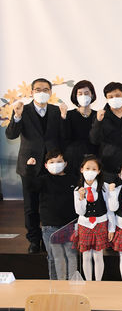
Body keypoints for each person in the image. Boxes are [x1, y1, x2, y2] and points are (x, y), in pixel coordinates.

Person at [5, 78, 64, 253]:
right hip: (29, 165)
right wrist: (16, 116)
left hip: (52, 166)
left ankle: (49, 238)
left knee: (51, 205)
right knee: (31, 206)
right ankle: (34, 240)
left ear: (51, 92)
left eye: (46, 89)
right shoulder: (23, 110)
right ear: (31, 92)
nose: (42, 92)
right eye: (38, 89)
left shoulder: (56, 111)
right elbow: (11, 135)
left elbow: (63, 135)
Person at [25, 150, 77, 280]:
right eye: (52, 162)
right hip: (50, 227)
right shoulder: (43, 180)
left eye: (59, 161)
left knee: (71, 256)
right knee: (54, 257)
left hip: (70, 226)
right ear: (46, 165)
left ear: (65, 163)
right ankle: (55, 284)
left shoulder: (73, 179)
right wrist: (30, 168)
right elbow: (30, 186)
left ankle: (71, 283)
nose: (55, 164)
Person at [89, 82, 122, 184]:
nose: (114, 98)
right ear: (106, 98)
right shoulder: (100, 115)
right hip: (108, 167)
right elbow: (94, 140)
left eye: (117, 95)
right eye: (111, 97)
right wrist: (98, 122)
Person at [71, 155, 112, 281]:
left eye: (94, 169)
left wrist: (111, 228)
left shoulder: (104, 187)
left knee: (98, 255)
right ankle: (88, 282)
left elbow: (110, 209)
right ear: (81, 169)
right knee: (86, 256)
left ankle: (98, 282)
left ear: (99, 171)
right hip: (85, 224)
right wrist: (81, 197)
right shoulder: (78, 190)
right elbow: (80, 211)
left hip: (100, 223)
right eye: (87, 168)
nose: (90, 171)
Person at [63, 80, 98, 176]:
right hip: (73, 159)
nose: (83, 96)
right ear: (75, 96)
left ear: (92, 95)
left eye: (86, 93)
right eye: (80, 93)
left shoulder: (98, 116)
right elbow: (64, 137)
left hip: (94, 160)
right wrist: (63, 117)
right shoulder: (68, 115)